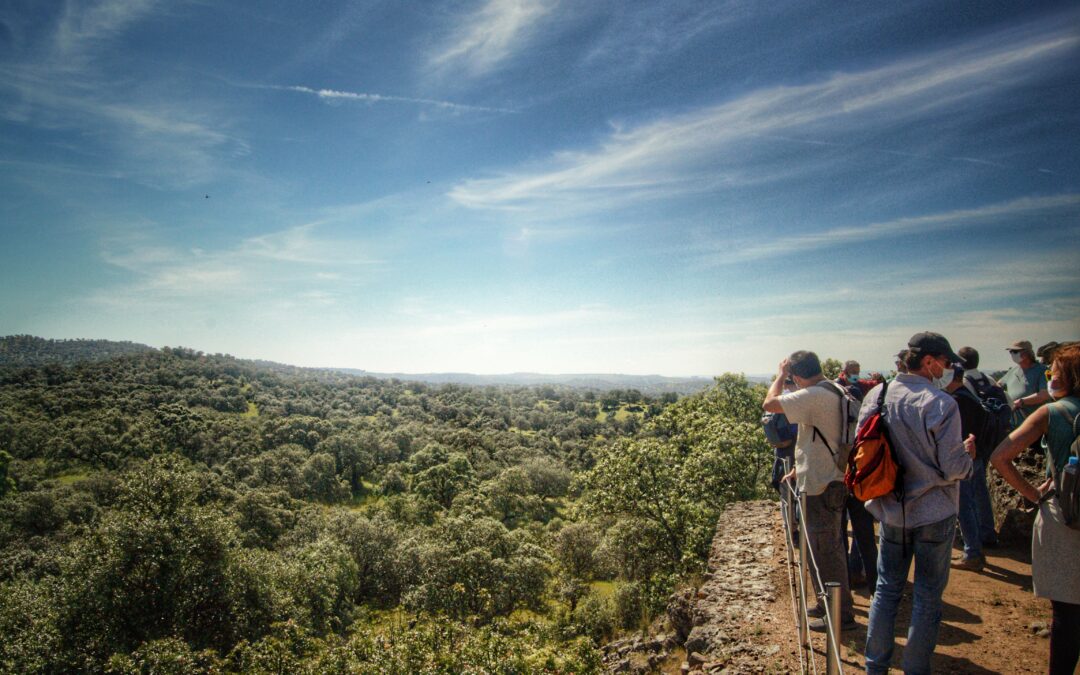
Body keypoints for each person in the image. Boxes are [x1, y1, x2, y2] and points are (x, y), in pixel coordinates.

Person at [862, 332, 975, 675]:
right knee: (927, 597)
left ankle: (874, 667)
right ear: (929, 361)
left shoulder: (876, 395)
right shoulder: (941, 404)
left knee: (886, 592)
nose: (948, 369)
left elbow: (863, 449)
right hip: (935, 511)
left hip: (891, 509)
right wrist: (968, 455)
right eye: (945, 362)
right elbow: (953, 468)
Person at [991, 343, 1080, 675]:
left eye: (1053, 371)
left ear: (1066, 377)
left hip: (1065, 512)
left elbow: (1000, 457)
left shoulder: (1052, 413)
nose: (1050, 376)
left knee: (1067, 610)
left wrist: (1032, 493)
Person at [763, 350, 856, 632]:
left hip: (822, 485)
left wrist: (779, 376)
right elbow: (819, 438)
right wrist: (799, 468)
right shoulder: (834, 389)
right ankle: (827, 602)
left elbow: (769, 404)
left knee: (826, 549)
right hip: (827, 478)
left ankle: (840, 616)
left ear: (798, 376)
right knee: (822, 547)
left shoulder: (814, 394)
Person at [948, 346, 1000, 570]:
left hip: (965, 458)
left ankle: (972, 552)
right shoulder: (971, 395)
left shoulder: (958, 401)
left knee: (964, 504)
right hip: (978, 456)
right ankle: (987, 535)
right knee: (980, 495)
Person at [999, 340, 1050, 427]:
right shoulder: (1013, 371)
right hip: (1013, 423)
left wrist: (1021, 402)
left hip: (1035, 424)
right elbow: (998, 386)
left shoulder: (1045, 371)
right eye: (1010, 352)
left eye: (1015, 351)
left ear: (1026, 353)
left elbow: (1045, 395)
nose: (1011, 354)